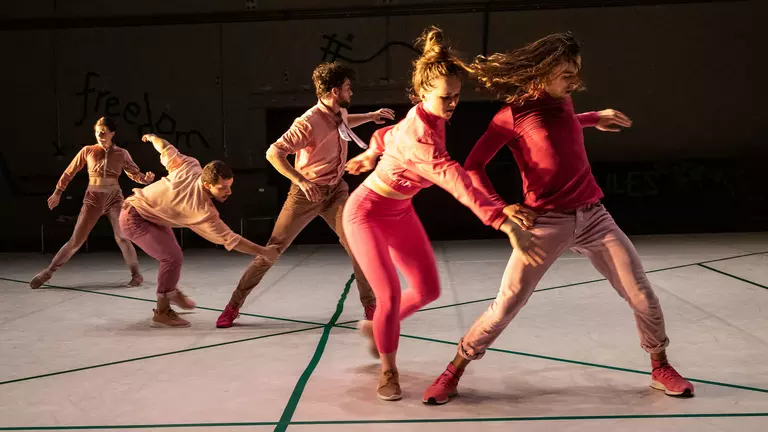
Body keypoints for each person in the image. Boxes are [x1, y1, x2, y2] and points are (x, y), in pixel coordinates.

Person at [422, 32, 694, 405]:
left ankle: (660, 366)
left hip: (594, 216)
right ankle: (454, 370)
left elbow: (559, 125)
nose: (575, 81)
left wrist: (594, 118)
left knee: (642, 295)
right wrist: (502, 206)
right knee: (506, 304)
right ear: (543, 71)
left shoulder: (564, 102)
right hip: (544, 223)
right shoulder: (512, 114)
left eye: (576, 72)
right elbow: (473, 165)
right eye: (567, 73)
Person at [342, 26, 539, 401]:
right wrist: (500, 219)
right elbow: (457, 180)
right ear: (421, 94)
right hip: (365, 213)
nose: (452, 104)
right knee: (389, 296)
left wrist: (370, 153)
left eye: (457, 97)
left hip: (399, 211)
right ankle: (388, 370)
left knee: (428, 289)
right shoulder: (423, 138)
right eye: (445, 97)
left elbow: (387, 136)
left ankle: (377, 328)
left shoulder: (423, 117)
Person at [216, 61, 395, 328]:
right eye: (348, 87)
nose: (351, 92)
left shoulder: (339, 112)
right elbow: (273, 153)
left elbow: (345, 123)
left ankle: (371, 306)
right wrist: (300, 180)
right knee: (272, 249)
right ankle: (233, 306)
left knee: (359, 245)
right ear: (335, 90)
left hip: (336, 191)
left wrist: (370, 116)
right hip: (306, 193)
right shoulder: (308, 122)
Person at [119, 134, 278, 327]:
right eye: (223, 188)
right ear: (207, 185)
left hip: (153, 217)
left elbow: (166, 148)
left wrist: (153, 138)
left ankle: (170, 292)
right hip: (133, 218)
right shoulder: (201, 210)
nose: (229, 191)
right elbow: (231, 239)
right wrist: (263, 252)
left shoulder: (191, 166)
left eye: (230, 185)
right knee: (172, 257)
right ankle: (162, 311)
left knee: (174, 257)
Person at [31, 117, 154, 289]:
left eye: (104, 132)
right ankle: (48, 272)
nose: (100, 135)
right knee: (76, 240)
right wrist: (58, 192)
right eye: (97, 132)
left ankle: (136, 274)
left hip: (114, 199)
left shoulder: (122, 153)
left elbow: (134, 173)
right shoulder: (88, 151)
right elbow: (69, 172)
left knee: (122, 237)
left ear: (112, 133)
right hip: (93, 199)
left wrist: (145, 179)